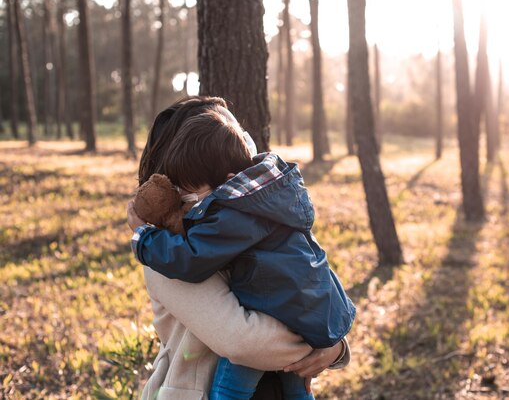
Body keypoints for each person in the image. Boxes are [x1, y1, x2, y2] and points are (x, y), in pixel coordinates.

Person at [130, 96, 351, 400]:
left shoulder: (247, 218)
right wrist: (320, 340)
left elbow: (311, 276)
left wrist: (336, 345)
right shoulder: (166, 251)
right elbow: (244, 342)